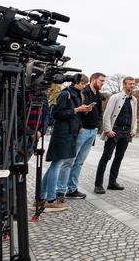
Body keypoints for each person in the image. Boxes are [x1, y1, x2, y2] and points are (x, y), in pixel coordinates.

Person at [40, 74, 93, 210]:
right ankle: (50, 199)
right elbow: (57, 114)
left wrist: (81, 119)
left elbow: (74, 115)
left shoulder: (75, 94)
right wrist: (77, 109)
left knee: (56, 164)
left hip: (70, 133)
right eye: (82, 83)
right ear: (76, 82)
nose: (83, 86)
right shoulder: (65, 94)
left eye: (84, 84)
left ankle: (41, 196)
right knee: (57, 164)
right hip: (62, 134)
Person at [58, 72, 106, 199]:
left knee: (79, 162)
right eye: (101, 81)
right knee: (69, 161)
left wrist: (98, 126)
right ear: (94, 80)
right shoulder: (83, 92)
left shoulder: (99, 95)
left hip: (92, 131)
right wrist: (80, 124)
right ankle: (60, 190)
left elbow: (100, 112)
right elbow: (77, 111)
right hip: (82, 130)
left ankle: (72, 189)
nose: (103, 83)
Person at [94, 77, 137, 194]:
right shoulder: (115, 97)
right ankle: (98, 185)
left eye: (133, 84)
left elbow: (135, 117)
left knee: (119, 158)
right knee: (106, 157)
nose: (132, 86)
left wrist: (134, 129)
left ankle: (112, 183)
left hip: (126, 132)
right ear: (124, 85)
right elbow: (106, 115)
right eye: (130, 84)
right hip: (114, 131)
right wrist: (108, 130)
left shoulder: (134, 100)